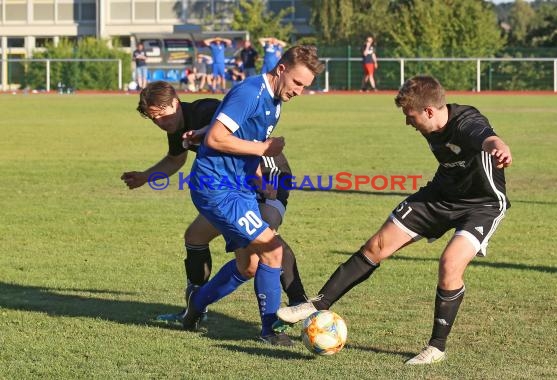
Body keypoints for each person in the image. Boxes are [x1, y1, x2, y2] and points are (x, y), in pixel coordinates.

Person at [277, 75, 512, 363]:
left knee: (450, 263)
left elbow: (484, 135)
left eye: (409, 115)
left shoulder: (466, 122)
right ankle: (318, 303)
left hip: (482, 205)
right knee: (377, 245)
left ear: (428, 111)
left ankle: (436, 347)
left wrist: (497, 145)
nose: (407, 122)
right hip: (439, 196)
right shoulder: (430, 122)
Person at [121, 80, 308, 330]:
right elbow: (175, 160)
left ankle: (299, 302)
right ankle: (195, 309)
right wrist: (146, 176)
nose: (161, 123)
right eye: (154, 119)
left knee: (266, 239)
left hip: (267, 171)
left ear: (176, 102)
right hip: (232, 184)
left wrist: (260, 182)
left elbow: (246, 135)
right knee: (196, 237)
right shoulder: (177, 126)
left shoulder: (205, 111)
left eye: (162, 116)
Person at [181, 46, 324, 345]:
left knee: (249, 266)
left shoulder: (275, 101)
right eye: (297, 82)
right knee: (272, 250)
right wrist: (263, 150)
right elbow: (217, 138)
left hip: (238, 186)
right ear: (281, 69)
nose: (299, 90)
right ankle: (270, 330)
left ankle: (197, 303)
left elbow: (238, 131)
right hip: (216, 187)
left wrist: (257, 177)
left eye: (305, 87)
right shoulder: (251, 91)